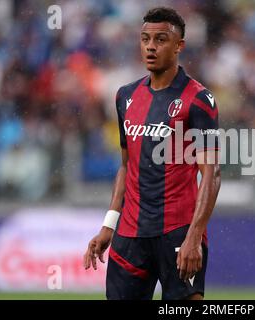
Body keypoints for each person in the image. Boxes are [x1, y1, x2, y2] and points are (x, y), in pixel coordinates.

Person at [83, 7, 221, 300]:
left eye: (160, 39)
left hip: (179, 233)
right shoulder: (126, 96)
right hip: (130, 236)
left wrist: (195, 236)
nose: (150, 46)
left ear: (179, 45)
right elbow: (126, 165)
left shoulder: (199, 100)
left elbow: (212, 172)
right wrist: (109, 224)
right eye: (145, 39)